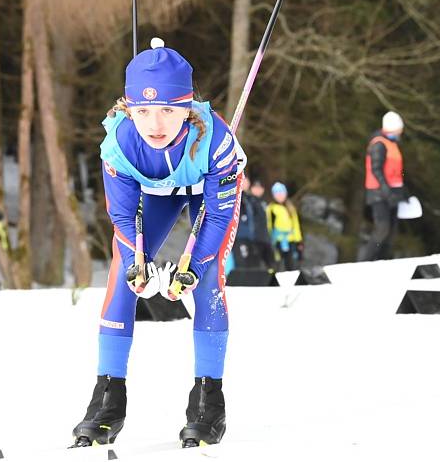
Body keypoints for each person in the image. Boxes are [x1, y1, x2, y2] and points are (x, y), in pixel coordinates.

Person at [72, 39, 246, 448]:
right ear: (127, 107)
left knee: (206, 280)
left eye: (168, 109)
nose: (155, 123)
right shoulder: (117, 142)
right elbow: (121, 214)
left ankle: (208, 402)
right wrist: (137, 261)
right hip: (154, 194)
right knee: (122, 272)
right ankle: (107, 400)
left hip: (207, 194)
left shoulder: (215, 141)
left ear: (188, 106)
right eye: (143, 111)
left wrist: (194, 264)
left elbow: (218, 216)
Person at [360, 111, 406, 261]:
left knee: (391, 230)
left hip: (392, 192)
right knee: (382, 228)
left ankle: (382, 260)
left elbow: (398, 172)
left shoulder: (392, 144)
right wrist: (387, 191)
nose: (400, 132)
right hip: (379, 193)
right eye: (398, 129)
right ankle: (367, 261)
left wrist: (403, 191)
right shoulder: (379, 144)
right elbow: (376, 169)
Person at [232, 175, 272, 270]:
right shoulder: (236, 196)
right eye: (243, 180)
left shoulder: (249, 198)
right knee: (242, 262)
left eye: (246, 181)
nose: (245, 183)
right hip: (239, 235)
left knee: (252, 264)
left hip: (251, 236)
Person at [267, 182, 303, 270]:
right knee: (278, 263)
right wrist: (270, 239)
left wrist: (299, 241)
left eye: (281, 193)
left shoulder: (291, 208)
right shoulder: (271, 208)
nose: (279, 195)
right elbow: (269, 225)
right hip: (278, 240)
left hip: (291, 240)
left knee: (291, 263)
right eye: (277, 193)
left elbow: (296, 225)